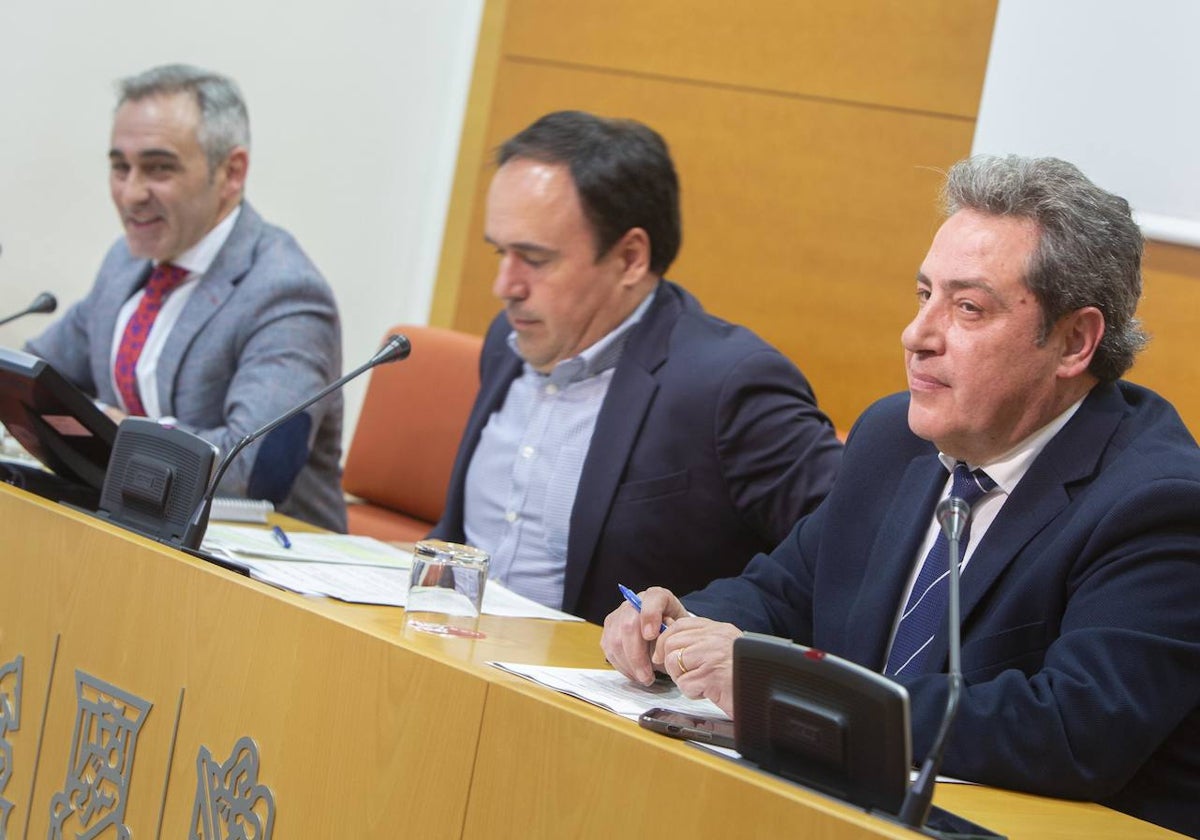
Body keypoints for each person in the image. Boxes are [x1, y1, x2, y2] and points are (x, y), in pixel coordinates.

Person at [601, 155, 1200, 836]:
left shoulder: (1161, 504)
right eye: (924, 296)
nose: (917, 336)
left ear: (1075, 341)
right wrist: (679, 625)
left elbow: (1071, 731)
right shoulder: (896, 438)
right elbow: (784, 592)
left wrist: (785, 691)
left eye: (968, 308)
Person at [429, 111, 842, 624]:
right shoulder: (509, 340)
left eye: (533, 259)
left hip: (593, 690)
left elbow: (849, 555)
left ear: (629, 258)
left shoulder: (728, 384)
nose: (505, 285)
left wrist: (702, 624)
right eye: (500, 253)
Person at [26, 64, 346, 531]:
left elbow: (249, 471)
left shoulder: (285, 292)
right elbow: (34, 377)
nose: (131, 193)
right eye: (120, 167)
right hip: (134, 532)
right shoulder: (127, 262)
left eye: (158, 168)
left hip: (262, 568)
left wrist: (121, 433)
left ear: (231, 172)